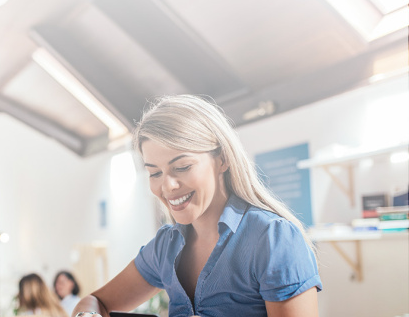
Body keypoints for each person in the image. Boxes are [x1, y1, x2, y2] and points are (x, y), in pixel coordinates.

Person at [72, 95, 322, 317]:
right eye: (155, 173)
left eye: (182, 167)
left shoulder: (272, 238)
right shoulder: (164, 246)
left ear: (222, 159)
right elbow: (96, 301)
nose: (167, 186)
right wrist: (86, 314)